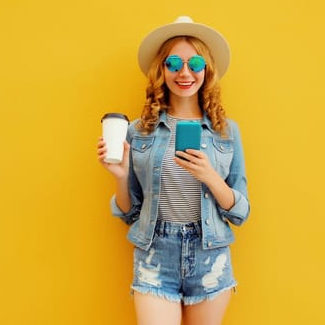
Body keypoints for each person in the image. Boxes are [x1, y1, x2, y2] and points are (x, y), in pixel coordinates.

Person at [96, 16, 250, 325]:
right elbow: (129, 212)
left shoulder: (226, 132)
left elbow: (241, 211)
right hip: (155, 253)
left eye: (195, 64)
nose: (184, 73)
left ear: (206, 71)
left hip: (210, 253)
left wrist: (209, 176)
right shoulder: (139, 131)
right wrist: (122, 176)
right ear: (161, 70)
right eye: (174, 63)